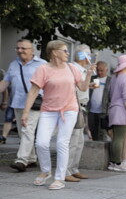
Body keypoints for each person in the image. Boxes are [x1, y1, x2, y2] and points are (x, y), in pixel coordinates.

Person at [21, 40, 93, 189]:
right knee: (41, 142)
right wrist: (25, 112)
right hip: (48, 110)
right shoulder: (43, 69)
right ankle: (46, 171)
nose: (68, 53)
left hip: (69, 110)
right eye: (65, 50)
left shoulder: (72, 68)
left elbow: (83, 87)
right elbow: (33, 91)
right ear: (55, 52)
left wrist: (89, 75)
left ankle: (59, 178)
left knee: (62, 143)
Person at [1, 39, 46, 172]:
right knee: (23, 132)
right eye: (18, 48)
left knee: (27, 130)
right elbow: (5, 82)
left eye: (23, 48)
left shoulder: (42, 65)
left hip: (34, 104)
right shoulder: (13, 64)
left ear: (32, 50)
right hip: (17, 103)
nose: (20, 51)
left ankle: (21, 160)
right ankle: (31, 159)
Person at [64, 45, 94, 183]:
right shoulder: (73, 68)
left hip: (81, 107)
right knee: (73, 141)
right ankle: (66, 170)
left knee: (79, 141)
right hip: (74, 107)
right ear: (83, 56)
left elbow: (81, 86)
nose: (91, 57)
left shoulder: (83, 70)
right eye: (89, 54)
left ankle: (73, 169)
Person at [88, 62, 110, 141]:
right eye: (98, 70)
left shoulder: (110, 80)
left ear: (106, 70)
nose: (99, 72)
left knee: (103, 132)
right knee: (93, 131)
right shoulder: (93, 78)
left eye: (102, 70)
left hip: (104, 111)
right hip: (91, 110)